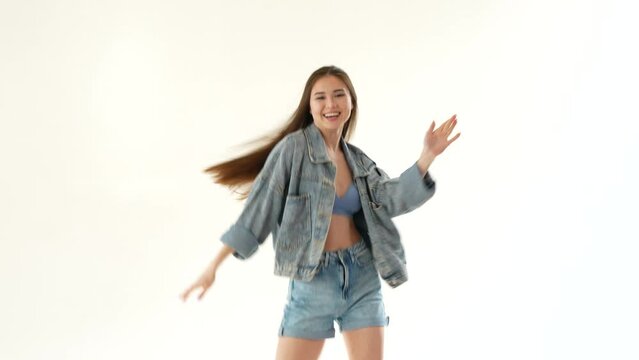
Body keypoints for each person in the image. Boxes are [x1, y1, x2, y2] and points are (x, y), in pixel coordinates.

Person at [181, 65, 460, 360]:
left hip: (362, 276)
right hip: (313, 279)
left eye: (339, 95)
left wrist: (427, 156)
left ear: (351, 103)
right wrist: (213, 265)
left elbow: (390, 199)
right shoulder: (293, 150)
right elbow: (259, 209)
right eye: (321, 97)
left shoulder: (359, 161)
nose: (331, 104)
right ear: (310, 107)